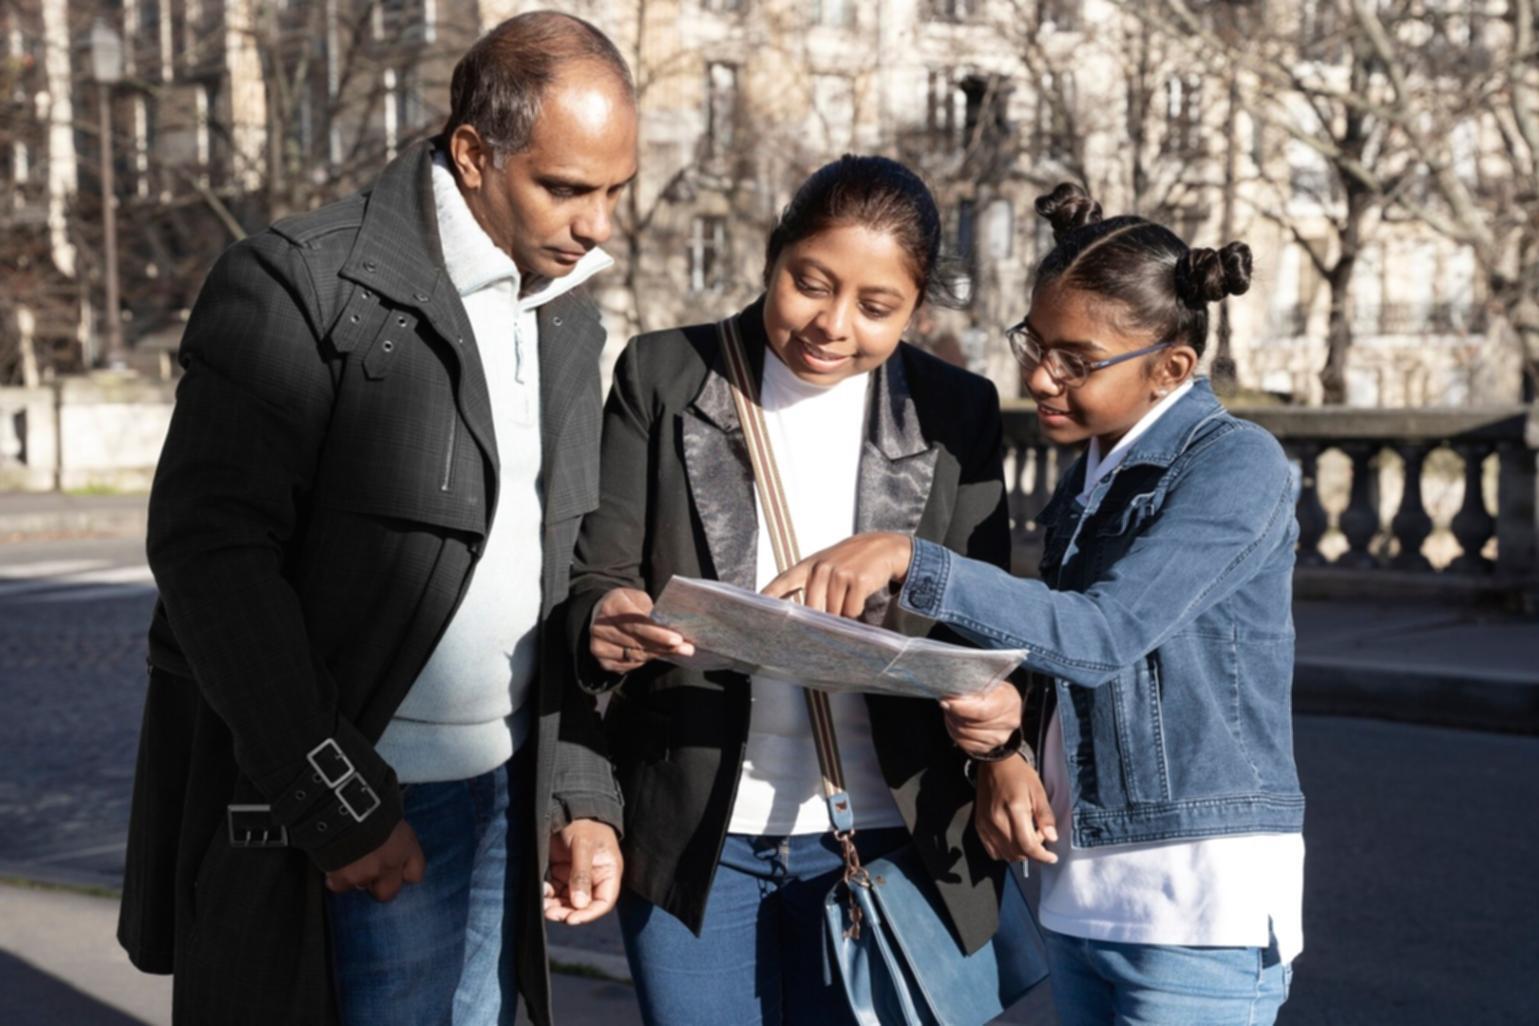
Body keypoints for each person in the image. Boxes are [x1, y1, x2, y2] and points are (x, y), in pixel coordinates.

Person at [116, 12, 637, 1025]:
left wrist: (577, 790)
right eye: (568, 188)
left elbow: (565, 553)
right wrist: (342, 805)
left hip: (509, 790)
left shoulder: (570, 309)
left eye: (616, 189)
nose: (598, 225)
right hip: (376, 803)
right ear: (476, 155)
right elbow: (210, 556)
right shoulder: (295, 282)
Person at [766, 183, 1305, 1026]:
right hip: (1082, 892)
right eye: (1035, 343)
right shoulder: (1092, 471)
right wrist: (1004, 742)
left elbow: (1103, 635)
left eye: (1076, 361)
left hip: (1196, 906)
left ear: (1171, 368)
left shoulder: (1237, 466)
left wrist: (911, 558)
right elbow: (1061, 669)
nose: (1039, 376)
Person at [560, 156, 1028, 1025]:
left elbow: (983, 615)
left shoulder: (952, 408)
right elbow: (597, 575)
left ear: (915, 310)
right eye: (808, 283)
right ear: (773, 256)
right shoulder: (664, 373)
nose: (831, 324)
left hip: (894, 833)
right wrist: (606, 620)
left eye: (876, 307)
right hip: (697, 827)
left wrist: (1000, 739)